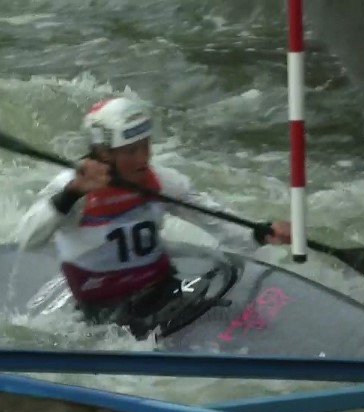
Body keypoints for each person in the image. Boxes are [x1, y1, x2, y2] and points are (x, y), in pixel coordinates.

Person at [15, 96, 291, 334]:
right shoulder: (73, 187)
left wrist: (260, 234)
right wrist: (71, 195)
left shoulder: (160, 181)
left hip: (162, 290)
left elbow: (214, 218)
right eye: (131, 151)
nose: (142, 158)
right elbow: (28, 238)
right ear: (104, 153)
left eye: (145, 146)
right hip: (104, 309)